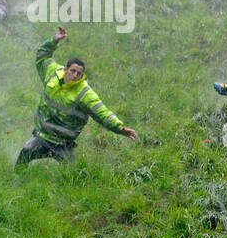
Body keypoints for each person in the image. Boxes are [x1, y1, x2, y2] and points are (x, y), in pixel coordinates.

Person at [16, 26, 137, 167]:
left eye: (79, 73)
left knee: (72, 173)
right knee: (25, 152)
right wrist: (54, 40)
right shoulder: (52, 72)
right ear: (65, 69)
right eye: (72, 71)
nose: (75, 75)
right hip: (42, 136)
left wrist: (121, 129)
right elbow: (42, 55)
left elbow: (102, 113)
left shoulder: (84, 93)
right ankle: (15, 180)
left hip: (64, 144)